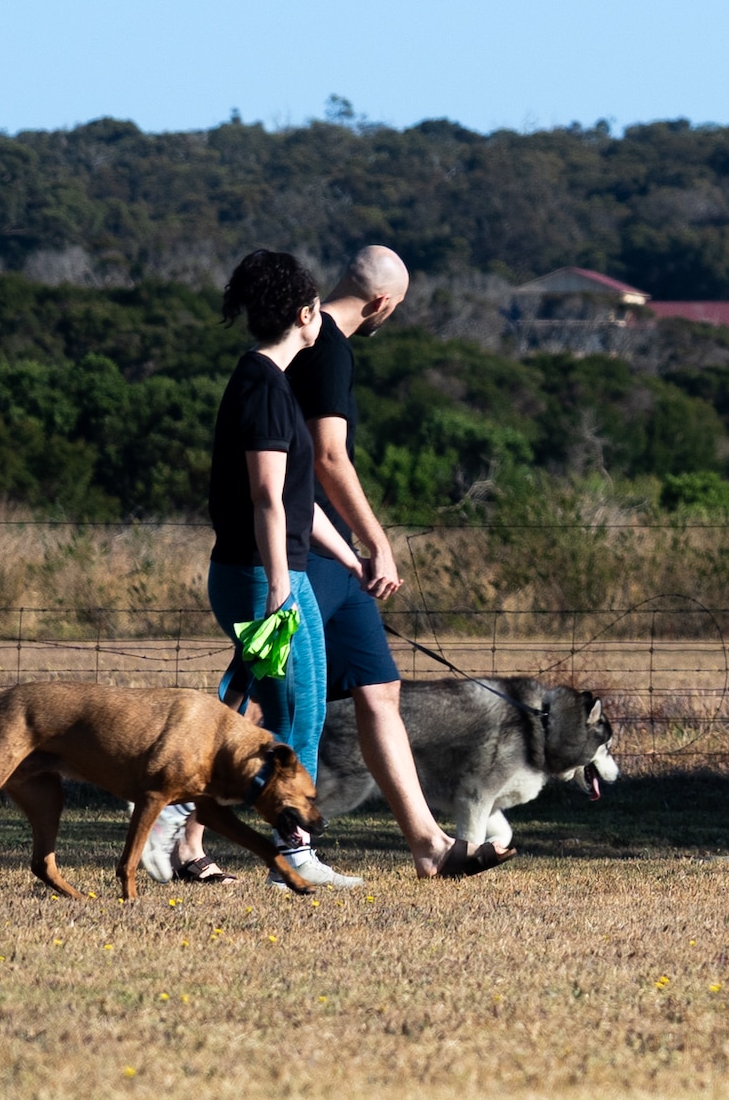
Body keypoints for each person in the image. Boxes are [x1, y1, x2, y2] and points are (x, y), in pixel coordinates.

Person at [158, 244, 467, 887]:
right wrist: (280, 587)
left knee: (295, 708)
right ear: (303, 314)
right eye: (312, 312)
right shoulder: (267, 388)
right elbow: (269, 496)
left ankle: (204, 821)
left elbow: (297, 498)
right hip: (266, 575)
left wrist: (348, 555)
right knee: (289, 715)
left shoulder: (274, 382)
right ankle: (272, 846)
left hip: (290, 568)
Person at [283, 242, 490, 878]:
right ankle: (187, 834)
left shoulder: (320, 343)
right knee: (278, 700)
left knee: (380, 691)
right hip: (317, 543)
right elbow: (328, 457)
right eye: (393, 310)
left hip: (338, 553)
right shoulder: (328, 350)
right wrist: (380, 540)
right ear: (381, 303)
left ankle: (429, 846)